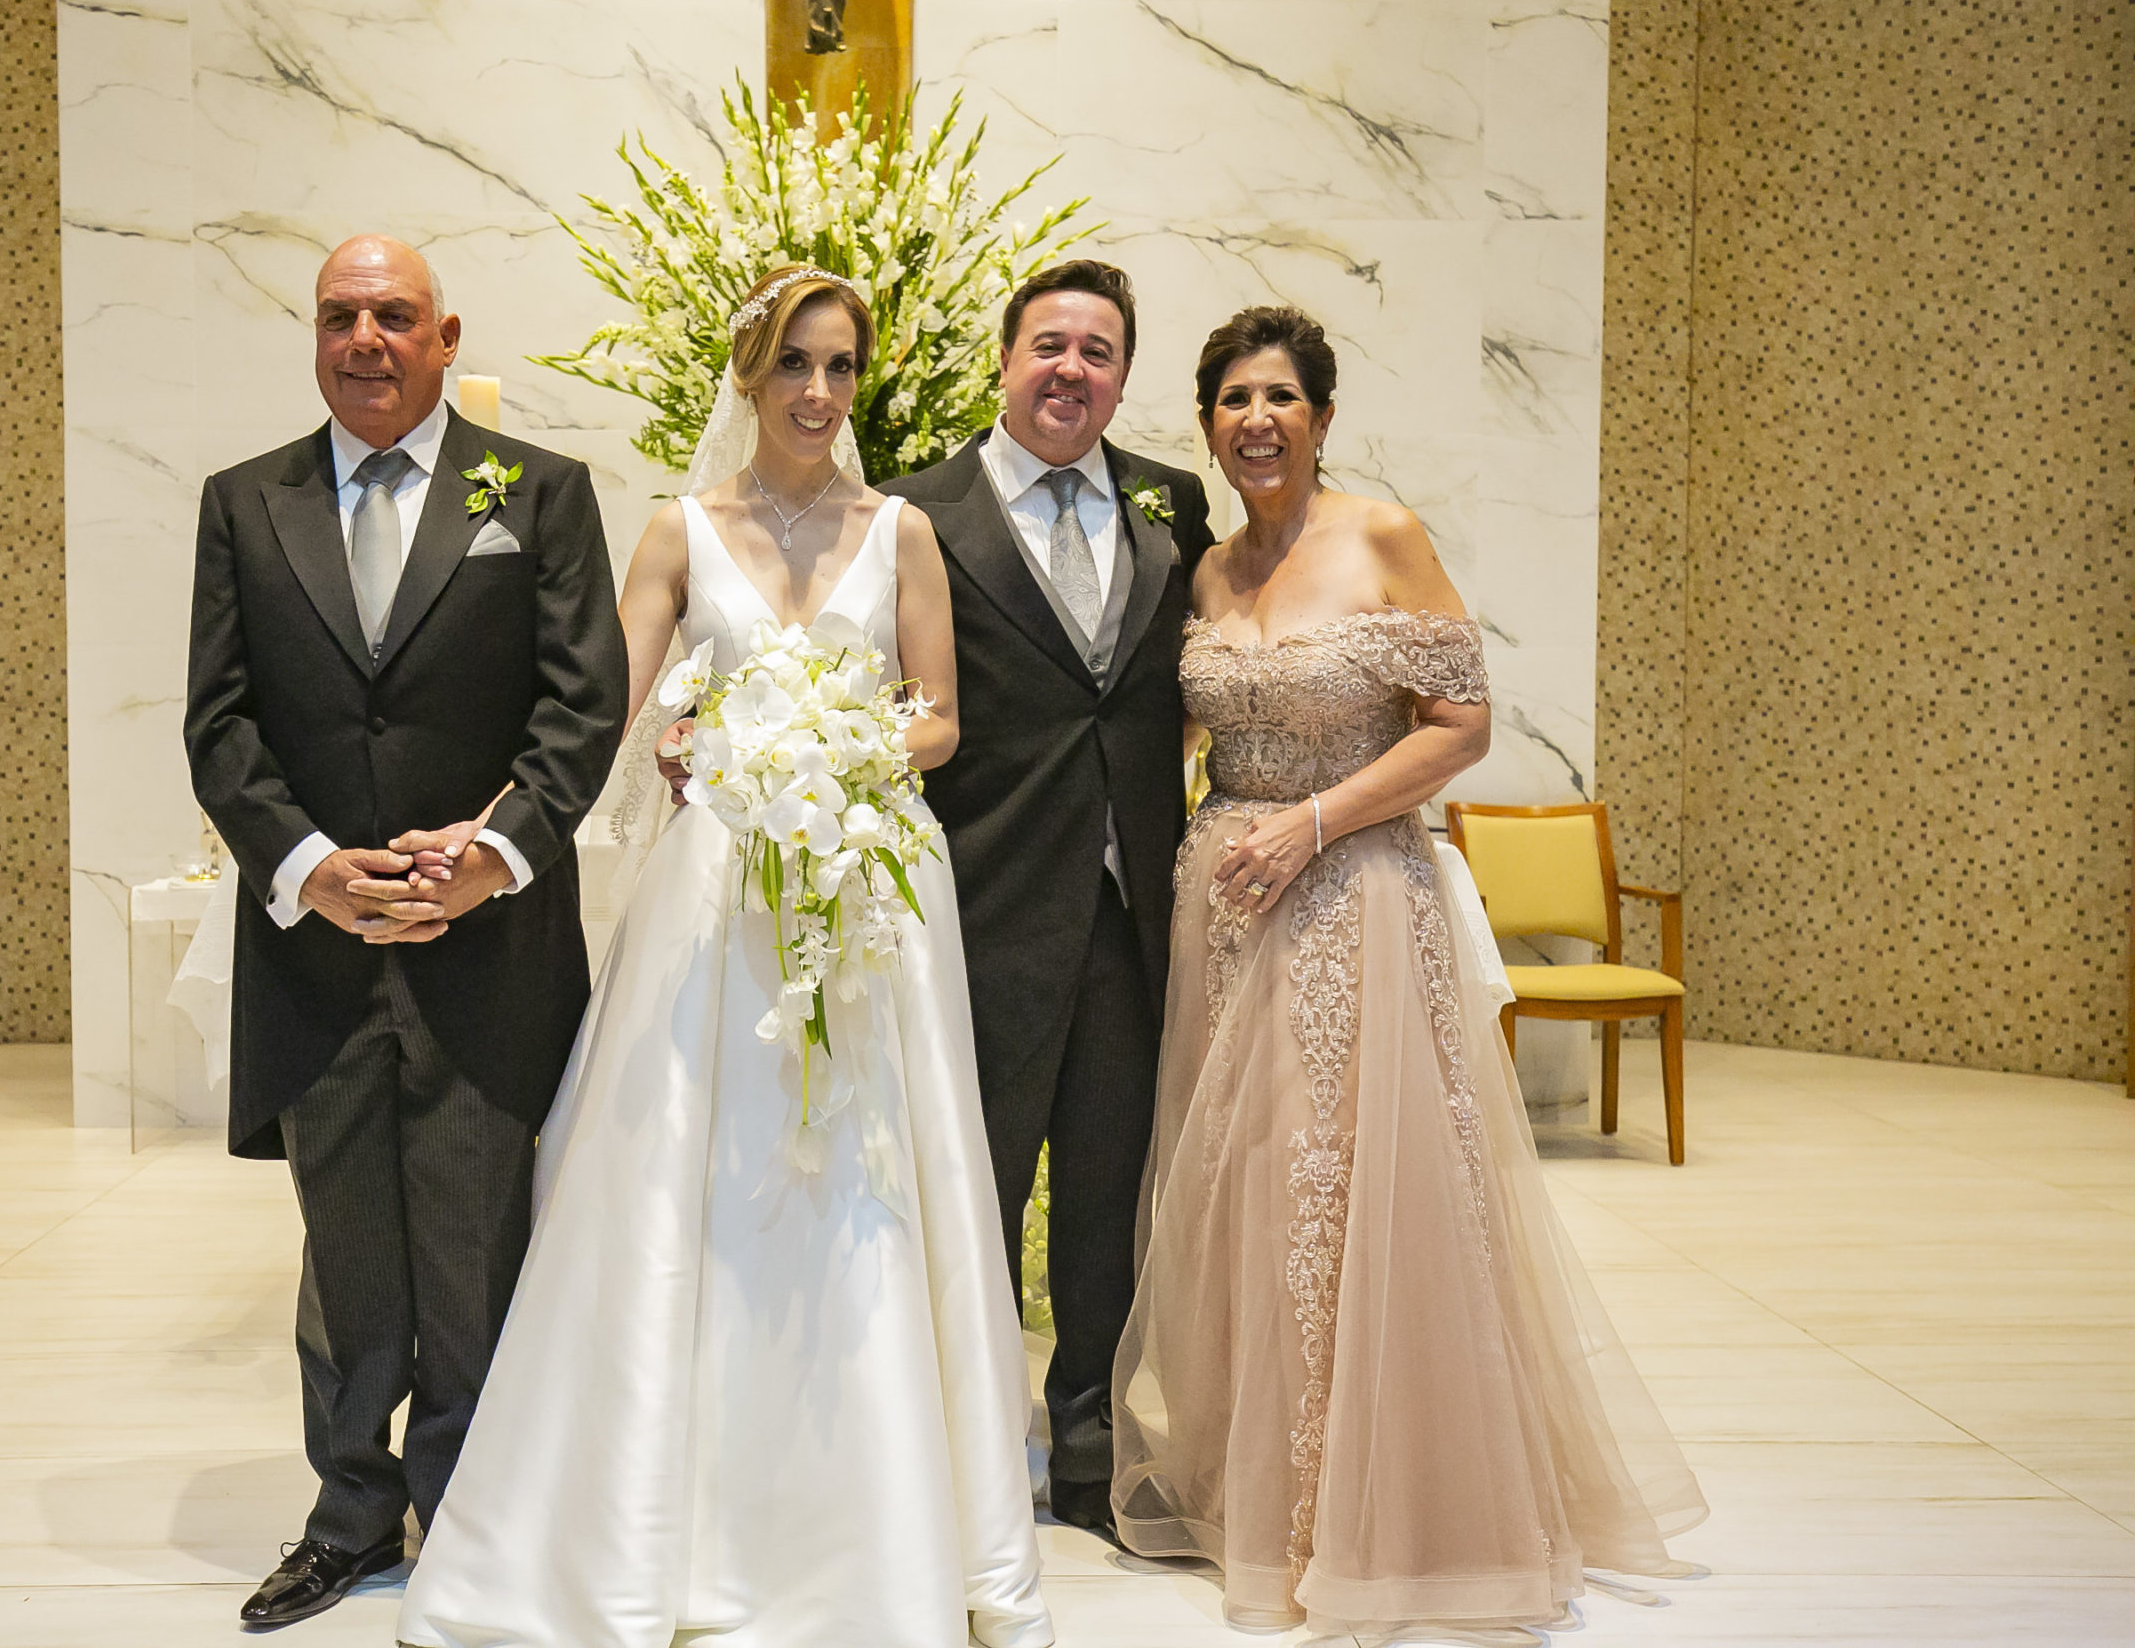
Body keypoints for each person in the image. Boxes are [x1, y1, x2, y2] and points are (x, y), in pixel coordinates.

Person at [395, 268, 1052, 1648]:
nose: (819, 393)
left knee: (873, 1182)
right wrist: (511, 827)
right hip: (718, 898)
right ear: (748, 375)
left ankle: (880, 1522)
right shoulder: (677, 532)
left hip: (870, 887)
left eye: (841, 367)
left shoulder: (904, 532)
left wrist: (845, 741)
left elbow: (939, 716)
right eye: (795, 364)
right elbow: (608, 716)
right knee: (694, 1185)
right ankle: (660, 1521)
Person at [1109, 304, 1707, 1634]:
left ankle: (1370, 1497)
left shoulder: (1380, 536)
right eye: (1230, 398)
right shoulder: (1203, 574)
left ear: (1321, 416)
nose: (1254, 418)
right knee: (1242, 1190)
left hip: (1356, 901)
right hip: (1226, 904)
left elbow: (1464, 726)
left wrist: (1319, 820)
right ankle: (1251, 1475)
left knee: (1352, 1189)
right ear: (1205, 423)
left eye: (1279, 395)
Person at [183, 236, 627, 1628]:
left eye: (393, 316)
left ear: (444, 334)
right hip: (318, 942)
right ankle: (349, 1512)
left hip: (485, 943)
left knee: (475, 1236)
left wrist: (491, 857)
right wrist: (309, 865)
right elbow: (220, 719)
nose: (365, 338)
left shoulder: (540, 491)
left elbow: (581, 705)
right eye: (339, 317)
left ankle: (475, 1505)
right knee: (348, 1244)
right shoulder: (243, 502)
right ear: (314, 339)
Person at [881, 260, 1214, 1537]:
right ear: (1003, 359)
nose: (1071, 369)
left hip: (1131, 914)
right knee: (967, 1191)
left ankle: (1089, 1449)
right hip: (974, 910)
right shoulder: (917, 512)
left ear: (1122, 376)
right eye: (1049, 345)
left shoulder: (1168, 502)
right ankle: (961, 1457)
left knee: (1106, 1195)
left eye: (1099, 351)